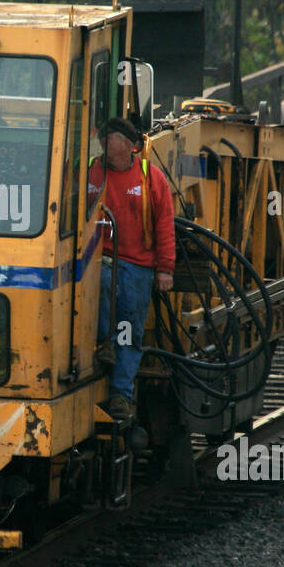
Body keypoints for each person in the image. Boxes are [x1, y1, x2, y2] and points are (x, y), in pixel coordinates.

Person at [87, 117, 175, 420]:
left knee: (130, 330)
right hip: (98, 258)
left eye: (110, 137)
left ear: (128, 145)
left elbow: (164, 226)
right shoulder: (91, 171)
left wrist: (165, 270)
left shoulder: (150, 179)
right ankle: (104, 342)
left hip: (137, 266)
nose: (103, 141)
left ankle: (120, 396)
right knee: (99, 292)